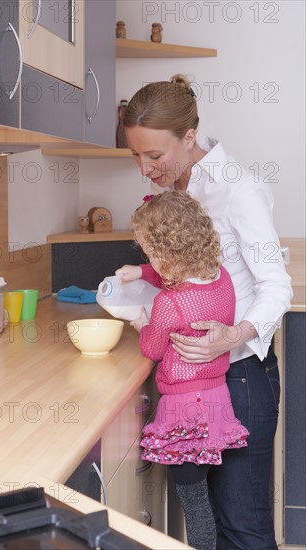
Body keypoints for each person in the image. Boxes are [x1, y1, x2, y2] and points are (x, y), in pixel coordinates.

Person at [120, 75, 293, 549]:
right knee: (206, 523)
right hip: (200, 383)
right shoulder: (180, 190)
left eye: (154, 156)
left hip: (240, 377)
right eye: (136, 155)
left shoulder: (238, 190)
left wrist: (232, 335)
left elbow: (277, 284)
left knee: (242, 526)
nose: (144, 168)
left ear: (189, 137)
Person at [117, 191, 249, 550]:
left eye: (149, 253)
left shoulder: (168, 303)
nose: (149, 259)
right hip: (217, 403)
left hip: (184, 413)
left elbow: (153, 348)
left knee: (195, 504)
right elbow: (179, 279)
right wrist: (142, 272)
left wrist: (140, 324)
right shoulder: (221, 279)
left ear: (167, 254)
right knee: (207, 493)